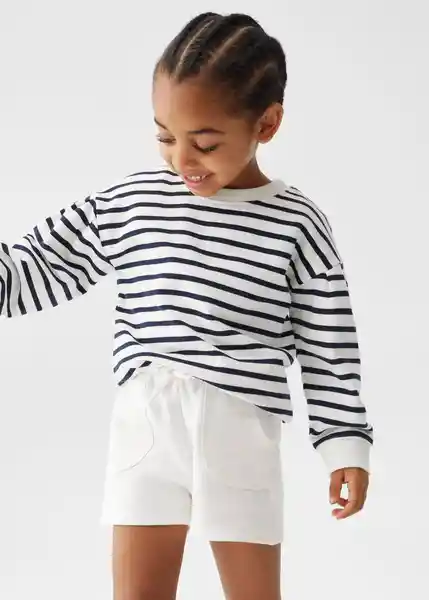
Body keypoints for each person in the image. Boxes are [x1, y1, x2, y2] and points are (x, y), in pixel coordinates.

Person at [0, 11, 374, 600]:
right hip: (147, 430)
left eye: (204, 143)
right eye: (165, 137)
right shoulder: (132, 201)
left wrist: (344, 440)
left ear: (267, 123)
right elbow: (39, 265)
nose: (181, 160)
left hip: (242, 430)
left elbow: (327, 342)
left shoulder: (297, 222)